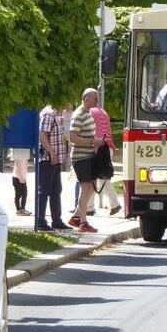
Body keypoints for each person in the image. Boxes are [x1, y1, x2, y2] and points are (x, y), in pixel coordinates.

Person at [67, 88, 100, 234]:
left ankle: (76, 216)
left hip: (89, 156)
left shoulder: (88, 113)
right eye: (95, 98)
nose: (97, 101)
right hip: (81, 157)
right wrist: (92, 142)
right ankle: (83, 222)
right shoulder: (79, 114)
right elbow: (73, 137)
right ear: (86, 98)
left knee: (92, 187)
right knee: (86, 187)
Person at [36, 102, 71, 231]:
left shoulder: (56, 114)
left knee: (56, 190)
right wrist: (52, 153)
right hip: (48, 158)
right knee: (44, 191)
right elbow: (42, 135)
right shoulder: (49, 113)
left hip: (56, 159)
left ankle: (57, 220)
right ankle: (40, 221)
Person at [90, 99, 121, 215]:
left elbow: (92, 131)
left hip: (99, 147)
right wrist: (113, 146)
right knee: (102, 177)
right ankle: (90, 207)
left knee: (96, 177)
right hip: (107, 147)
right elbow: (108, 131)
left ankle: (114, 204)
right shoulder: (103, 112)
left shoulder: (90, 112)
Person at [11, 147, 31, 216]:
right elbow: (18, 166)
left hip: (22, 177)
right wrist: (21, 178)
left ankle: (22, 209)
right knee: (18, 194)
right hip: (17, 177)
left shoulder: (24, 155)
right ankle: (19, 210)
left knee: (24, 194)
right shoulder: (19, 154)